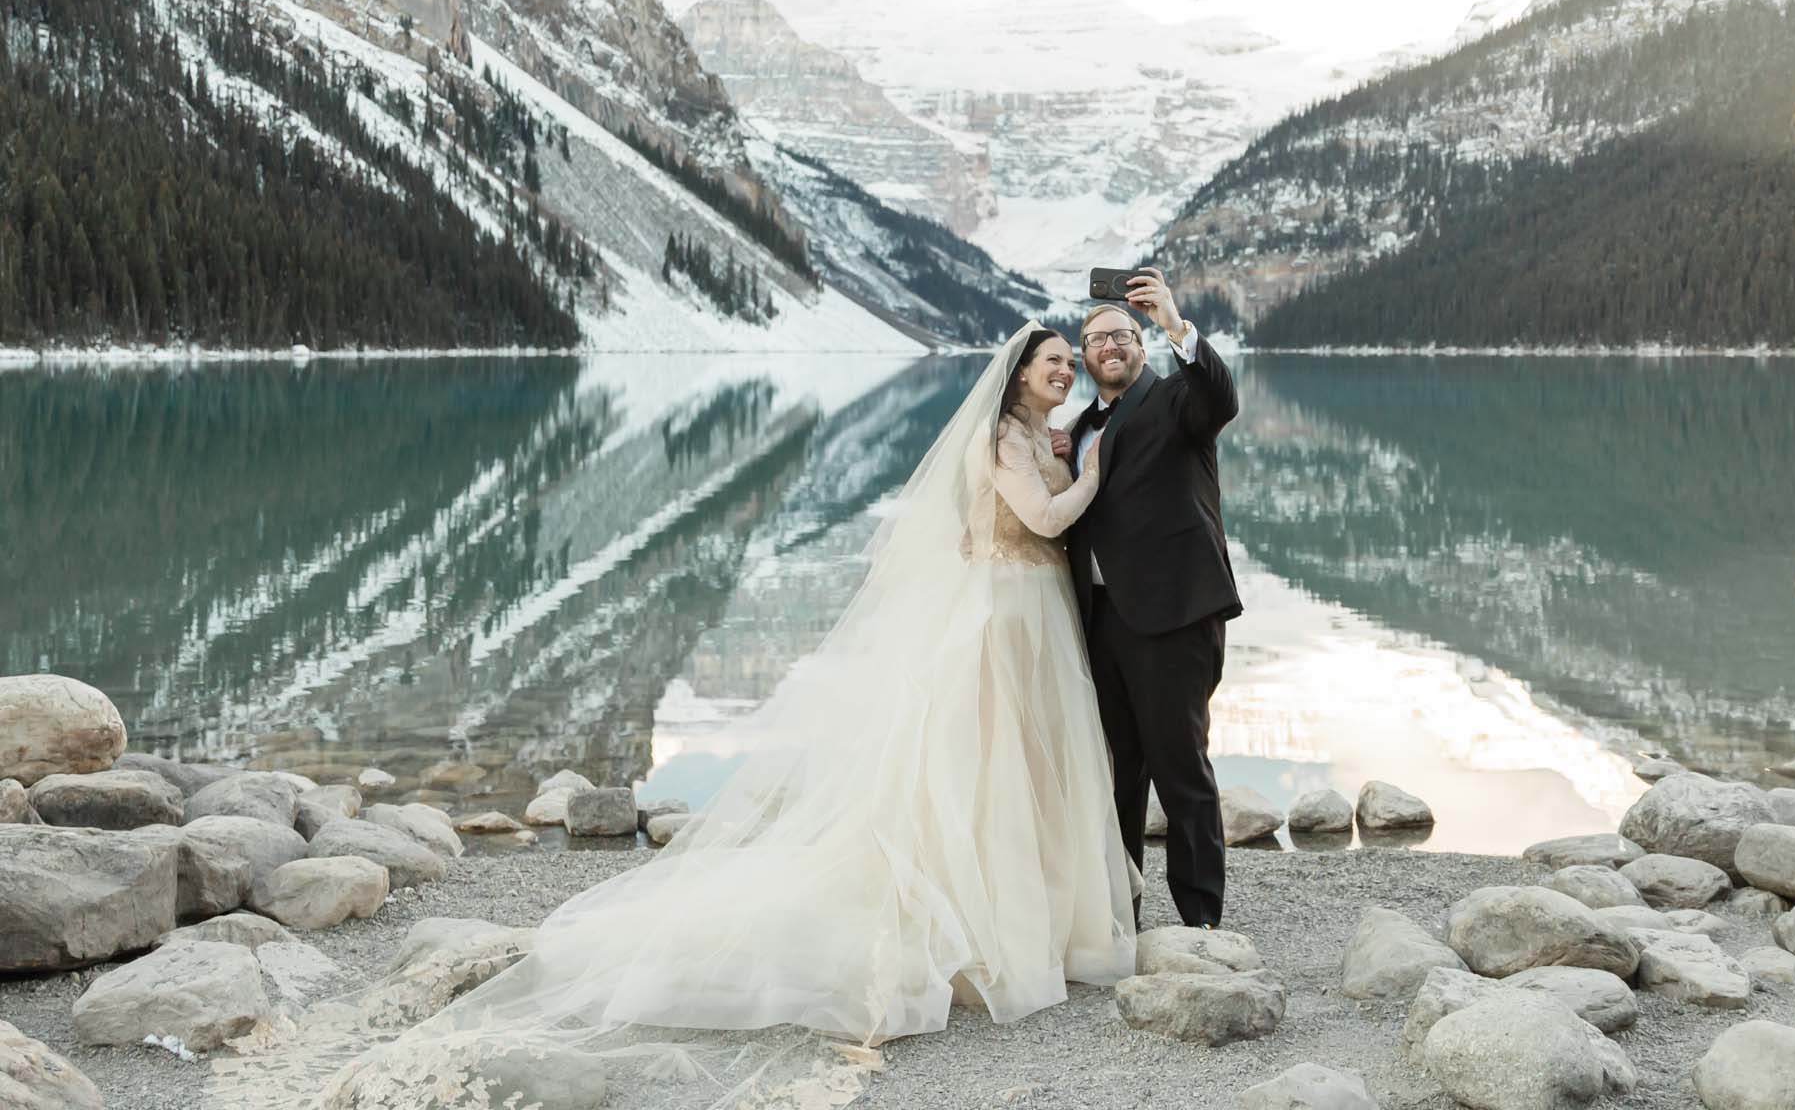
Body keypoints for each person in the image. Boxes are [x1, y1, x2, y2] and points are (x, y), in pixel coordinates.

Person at [315, 323, 1139, 1099]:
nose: (1064, 371)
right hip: (1007, 615)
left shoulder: (1038, 437)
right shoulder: (1003, 438)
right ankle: (1001, 931)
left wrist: (1070, 450)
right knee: (991, 765)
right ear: (1018, 375)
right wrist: (1098, 466)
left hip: (1030, 611)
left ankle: (1033, 917)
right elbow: (1043, 518)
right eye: (1052, 362)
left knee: (1020, 768)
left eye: (1070, 361)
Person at [1057, 266, 1240, 929]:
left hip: (1172, 618)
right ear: (1083, 356)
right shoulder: (1077, 429)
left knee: (1180, 770)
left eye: (1121, 335)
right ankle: (1119, 917)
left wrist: (1173, 321)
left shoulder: (1176, 403)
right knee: (1118, 777)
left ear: (1139, 345)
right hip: (1101, 623)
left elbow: (1219, 398)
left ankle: (1201, 923)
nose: (1108, 345)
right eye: (1095, 338)